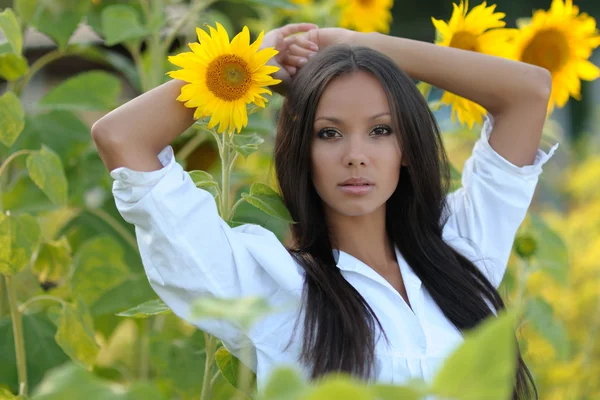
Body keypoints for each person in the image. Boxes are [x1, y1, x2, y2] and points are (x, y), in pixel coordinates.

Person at [92, 23, 558, 399]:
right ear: (301, 152)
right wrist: (247, 65)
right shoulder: (269, 285)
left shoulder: (462, 249)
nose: (356, 155)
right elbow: (122, 137)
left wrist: (366, 47)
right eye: (329, 134)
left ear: (408, 149)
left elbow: (530, 92)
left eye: (380, 131)